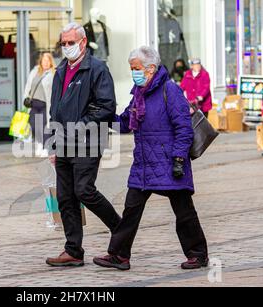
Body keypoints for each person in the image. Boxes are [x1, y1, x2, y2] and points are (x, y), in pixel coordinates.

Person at [93, 46, 208, 271]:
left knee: (184, 211)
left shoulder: (170, 90)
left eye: (135, 68)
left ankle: (198, 254)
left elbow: (183, 128)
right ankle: (119, 255)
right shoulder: (139, 92)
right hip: (144, 163)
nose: (133, 72)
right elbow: (127, 121)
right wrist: (105, 118)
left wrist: (178, 158)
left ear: (151, 68)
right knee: (131, 210)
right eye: (131, 68)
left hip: (170, 161)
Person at [46, 22, 121, 267]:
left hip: (88, 141)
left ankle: (120, 230)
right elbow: (54, 110)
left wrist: (80, 125)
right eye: (63, 43)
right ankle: (73, 250)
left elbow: (107, 106)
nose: (66, 47)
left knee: (84, 191)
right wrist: (53, 144)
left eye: (71, 42)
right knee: (65, 197)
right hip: (64, 142)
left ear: (83, 42)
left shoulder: (97, 69)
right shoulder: (60, 71)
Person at [24, 52, 55, 157]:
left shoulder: (52, 74)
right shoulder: (34, 71)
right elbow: (28, 86)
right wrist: (25, 99)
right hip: (33, 104)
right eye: (44, 60)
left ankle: (45, 148)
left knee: (45, 126)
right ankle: (39, 144)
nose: (46, 63)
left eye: (48, 61)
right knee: (33, 125)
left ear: (51, 62)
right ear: (40, 61)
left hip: (45, 105)